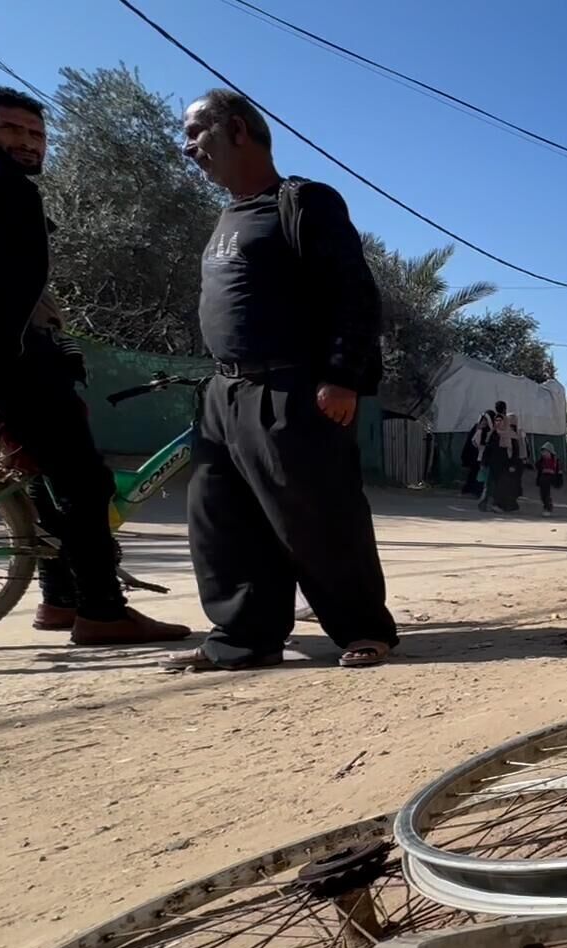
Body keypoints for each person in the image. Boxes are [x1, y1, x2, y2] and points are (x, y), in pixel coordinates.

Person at [0, 86, 187, 646]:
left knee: (45, 475)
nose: (27, 142)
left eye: (37, 134)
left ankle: (60, 600)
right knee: (83, 481)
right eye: (12, 129)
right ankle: (102, 611)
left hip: (7, 354)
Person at [166, 89, 398, 671]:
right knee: (223, 522)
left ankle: (363, 628)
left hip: (291, 389)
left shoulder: (303, 202)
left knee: (318, 515)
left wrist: (342, 376)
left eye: (197, 132)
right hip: (223, 394)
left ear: (238, 130)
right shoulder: (226, 217)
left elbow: (354, 294)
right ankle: (246, 638)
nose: (188, 146)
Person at [534, 441, 562, 515]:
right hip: (543, 478)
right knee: (542, 494)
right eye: (543, 452)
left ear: (550, 452)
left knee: (546, 494)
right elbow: (538, 467)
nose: (544, 454)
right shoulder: (542, 460)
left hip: (550, 478)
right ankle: (546, 506)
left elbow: (559, 471)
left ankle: (548, 508)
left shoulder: (555, 460)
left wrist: (559, 481)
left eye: (545, 452)